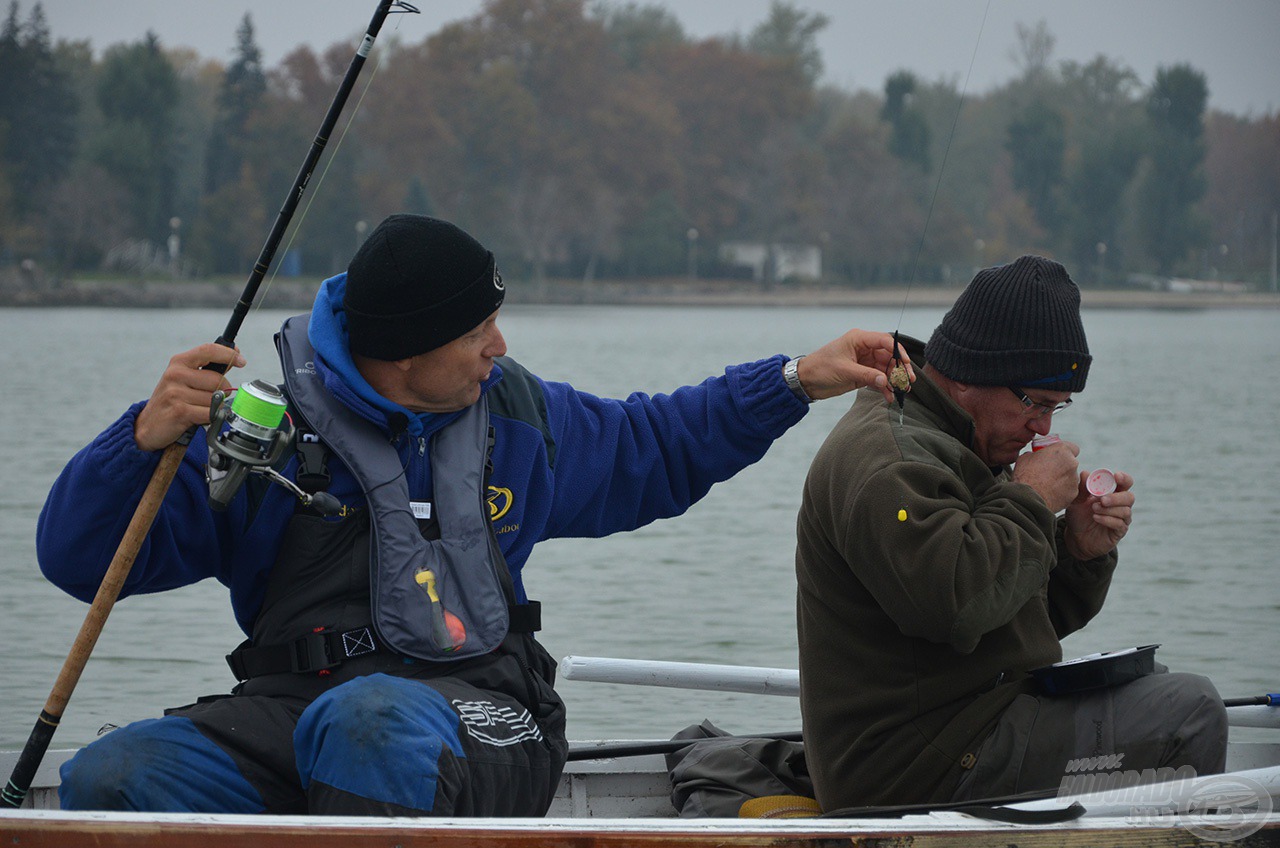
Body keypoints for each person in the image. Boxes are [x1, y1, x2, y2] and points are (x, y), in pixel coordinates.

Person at [37, 213, 910, 817]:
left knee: (371, 724)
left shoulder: (520, 416)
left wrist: (797, 378)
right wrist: (141, 440)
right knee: (118, 771)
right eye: (478, 330)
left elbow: (662, 443)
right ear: (406, 356)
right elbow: (79, 561)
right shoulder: (261, 432)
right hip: (293, 704)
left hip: (488, 715)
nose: (500, 346)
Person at [794, 255, 1227, 811]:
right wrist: (1030, 501)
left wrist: (1074, 549)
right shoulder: (891, 458)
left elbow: (1009, 620)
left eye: (1057, 407)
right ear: (972, 373)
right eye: (1035, 404)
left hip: (971, 730)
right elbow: (953, 605)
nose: (1044, 427)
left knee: (1154, 689)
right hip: (913, 773)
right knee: (1189, 713)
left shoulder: (962, 441)